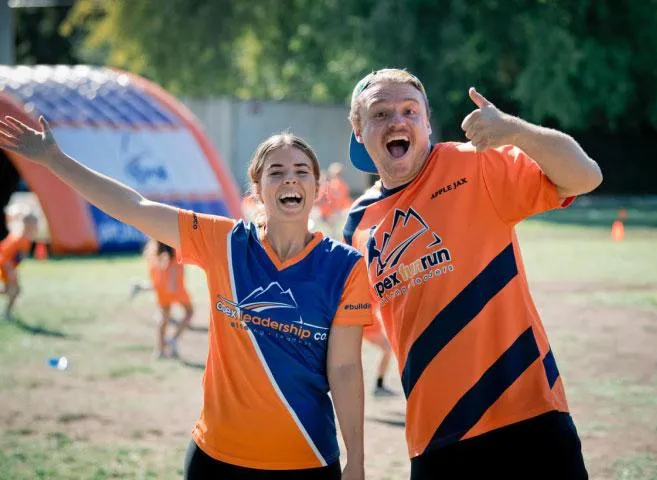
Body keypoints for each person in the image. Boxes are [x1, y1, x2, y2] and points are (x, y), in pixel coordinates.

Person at [0, 117, 372, 480]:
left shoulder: (345, 266)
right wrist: (54, 160)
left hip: (305, 458)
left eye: (301, 171)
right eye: (276, 171)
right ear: (257, 189)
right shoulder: (224, 242)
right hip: (217, 457)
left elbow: (344, 369)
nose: (289, 178)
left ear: (317, 187)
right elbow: (134, 207)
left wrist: (356, 459)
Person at [343, 68, 603, 479]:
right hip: (436, 435)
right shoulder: (357, 225)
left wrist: (515, 131)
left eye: (410, 111)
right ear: (358, 130)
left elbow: (585, 176)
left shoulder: (474, 163)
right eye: (380, 113)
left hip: (527, 413)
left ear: (427, 122)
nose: (397, 121)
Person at [141, 238, 194, 359]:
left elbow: (154, 273)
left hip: (162, 289)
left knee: (164, 317)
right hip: (177, 289)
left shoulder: (153, 250)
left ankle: (160, 350)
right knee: (189, 312)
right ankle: (173, 339)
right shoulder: (175, 248)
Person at [0, 210, 38, 319]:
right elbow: (3, 256)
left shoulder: (26, 239)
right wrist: (10, 271)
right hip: (6, 268)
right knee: (15, 290)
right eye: (33, 224)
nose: (35, 227)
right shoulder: (17, 238)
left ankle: (7, 313)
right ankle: (7, 313)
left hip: (10, 269)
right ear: (25, 224)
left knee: (11, 290)